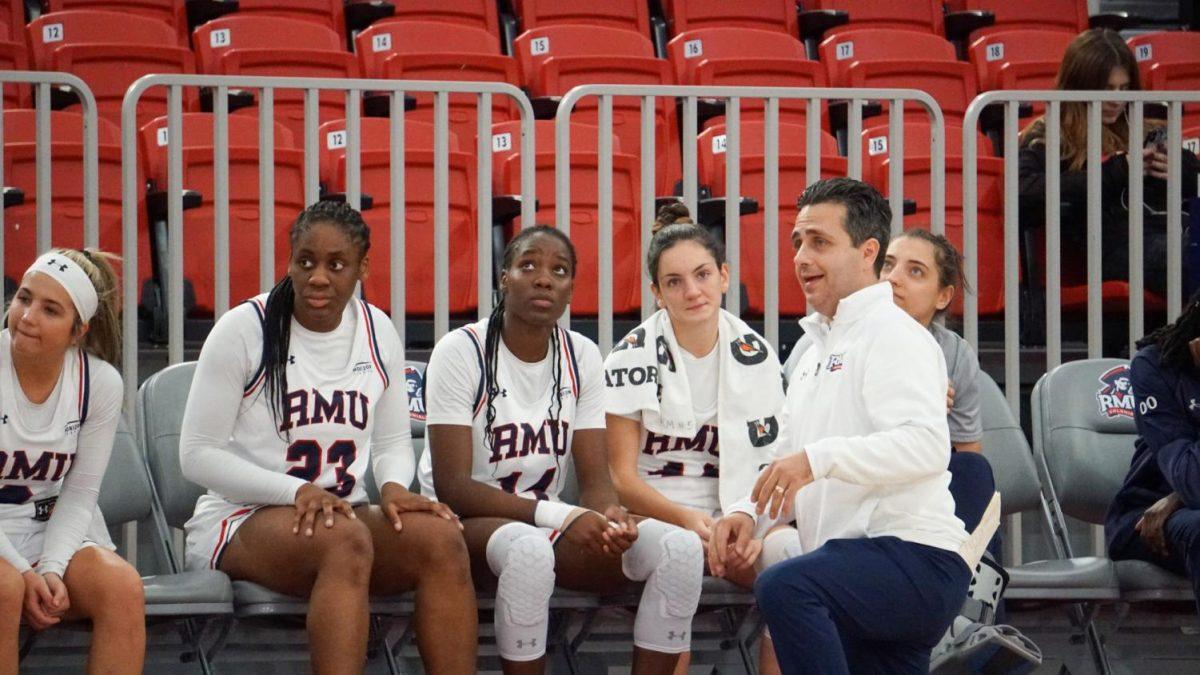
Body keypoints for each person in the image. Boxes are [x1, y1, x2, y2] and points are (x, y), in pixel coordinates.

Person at [180, 201, 477, 675]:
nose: (318, 277)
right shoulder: (243, 329)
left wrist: (397, 487)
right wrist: (295, 490)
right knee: (345, 540)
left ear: (362, 267)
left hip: (342, 516)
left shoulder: (378, 330)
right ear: (290, 260)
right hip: (242, 519)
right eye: (306, 261)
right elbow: (197, 456)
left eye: (336, 264)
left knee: (441, 539)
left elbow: (392, 441)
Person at [711, 179, 974, 673]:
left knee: (785, 585)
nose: (802, 256)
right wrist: (748, 513)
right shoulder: (815, 348)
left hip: (914, 557)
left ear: (868, 251)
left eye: (820, 242)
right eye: (798, 242)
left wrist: (817, 460)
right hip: (859, 566)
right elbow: (787, 451)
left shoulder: (897, 335)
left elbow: (925, 446)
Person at [419, 225, 705, 675]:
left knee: (682, 549)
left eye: (559, 270)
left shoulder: (582, 355)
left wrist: (610, 517)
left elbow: (595, 482)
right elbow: (454, 488)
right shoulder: (460, 351)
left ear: (571, 288)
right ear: (503, 277)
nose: (544, 278)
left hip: (548, 523)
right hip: (462, 527)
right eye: (528, 265)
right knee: (529, 552)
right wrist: (564, 517)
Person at [605, 206, 793, 675]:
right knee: (682, 551)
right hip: (654, 518)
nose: (692, 291)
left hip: (732, 516)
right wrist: (689, 521)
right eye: (674, 281)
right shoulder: (629, 358)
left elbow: (773, 464)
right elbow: (622, 481)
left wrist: (746, 520)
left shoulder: (757, 354)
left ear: (724, 276)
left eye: (702, 274)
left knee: (789, 555)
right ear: (656, 293)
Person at [0, 248, 144, 674]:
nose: (27, 317)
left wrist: (52, 569)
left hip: (48, 530)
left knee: (122, 586)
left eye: (50, 310)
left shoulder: (99, 382)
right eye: (23, 298)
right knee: (5, 587)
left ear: (77, 330)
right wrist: (26, 573)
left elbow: (80, 493)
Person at [1018, 28, 1200, 299]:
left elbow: (1192, 180)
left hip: (1174, 230)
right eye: (1107, 90)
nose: (1117, 100)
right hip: (1115, 246)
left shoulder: (1142, 125)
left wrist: (1181, 169)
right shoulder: (1050, 133)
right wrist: (1118, 171)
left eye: (1124, 89)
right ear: (1078, 87)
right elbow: (1024, 192)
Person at [1106, 293, 1200, 616]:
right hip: (1144, 517)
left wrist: (1175, 499)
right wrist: (1179, 496)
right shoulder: (1156, 366)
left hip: (1172, 506)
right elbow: (1192, 481)